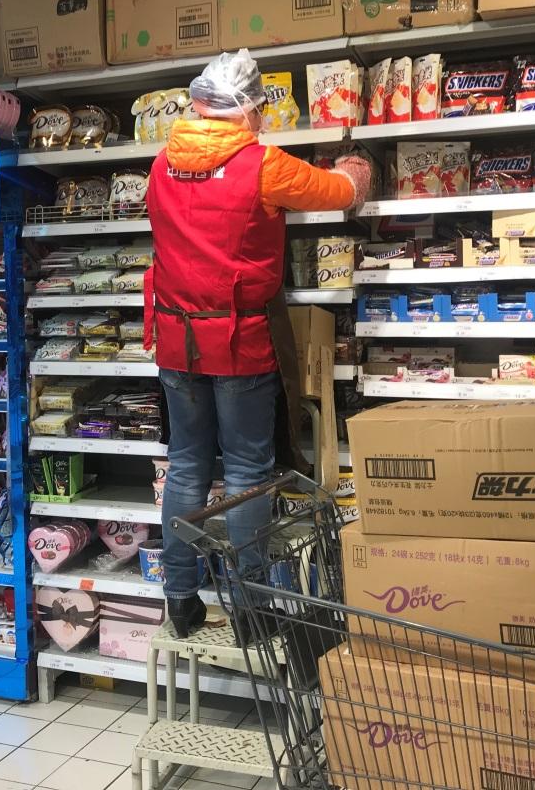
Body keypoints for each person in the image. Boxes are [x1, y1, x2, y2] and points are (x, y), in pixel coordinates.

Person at [144, 50, 373, 638]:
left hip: (176, 339)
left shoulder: (161, 164)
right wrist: (357, 169)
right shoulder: (263, 165)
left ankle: (180, 600)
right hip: (239, 340)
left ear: (199, 106)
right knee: (247, 469)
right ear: (249, 108)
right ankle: (251, 606)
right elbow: (338, 192)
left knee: (187, 467)